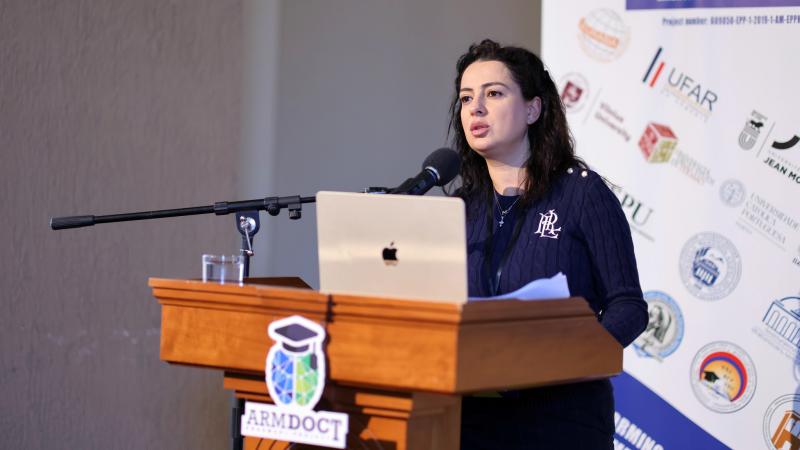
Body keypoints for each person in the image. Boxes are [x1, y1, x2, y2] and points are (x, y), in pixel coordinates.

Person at [449, 39, 648, 449]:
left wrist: (568, 359)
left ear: (533, 109)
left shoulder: (582, 194)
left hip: (561, 419)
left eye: (493, 94)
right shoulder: (460, 209)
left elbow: (629, 307)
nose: (476, 108)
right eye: (466, 98)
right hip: (473, 418)